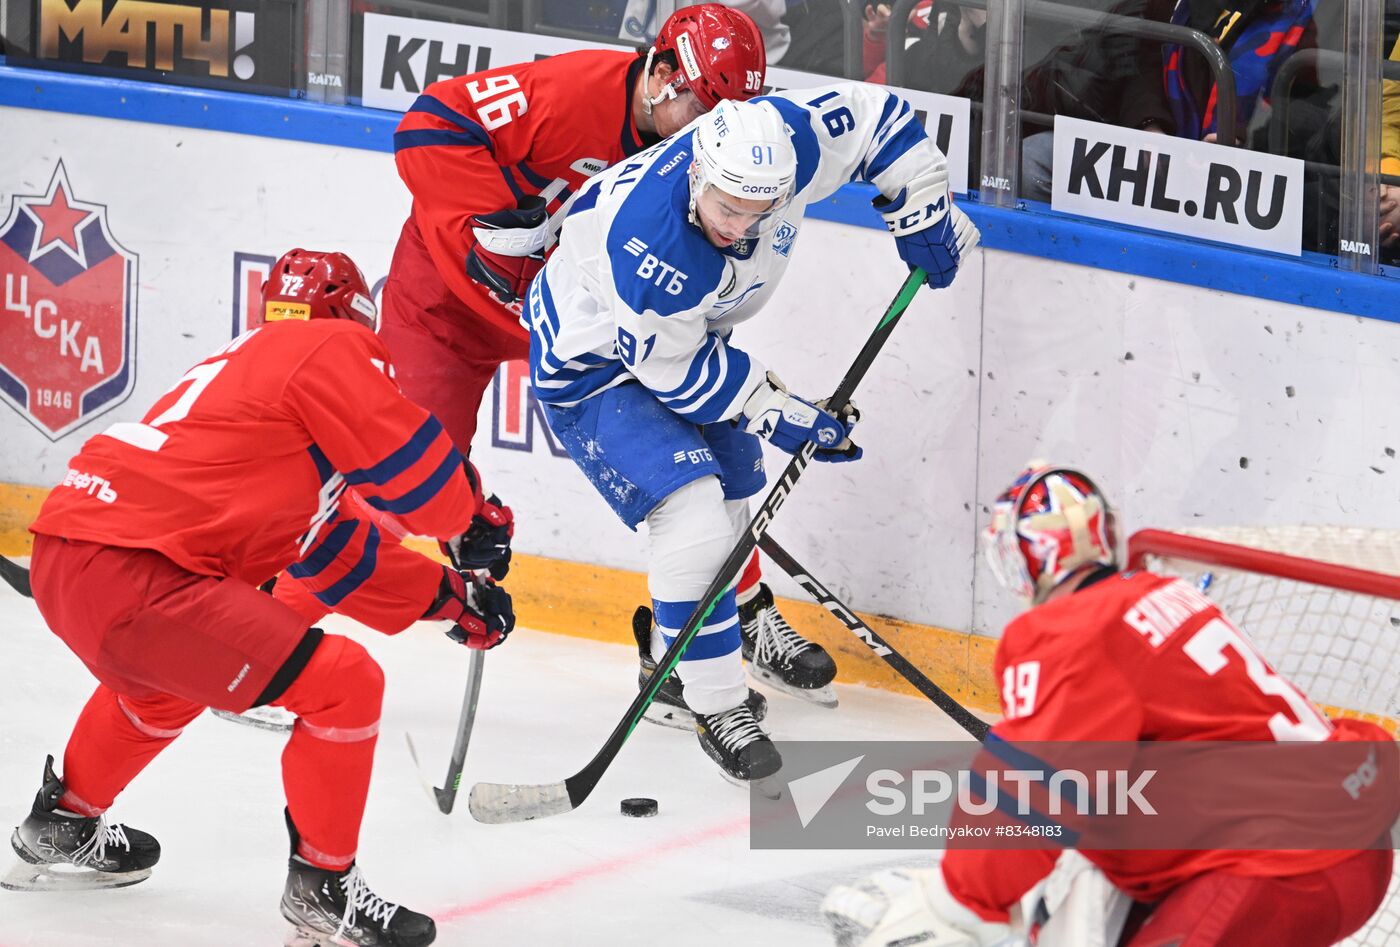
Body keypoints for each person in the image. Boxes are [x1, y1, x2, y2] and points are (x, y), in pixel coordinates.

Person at [5, 250, 517, 947]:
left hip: (72, 550)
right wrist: (472, 511)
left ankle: (63, 821)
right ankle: (322, 889)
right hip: (139, 572)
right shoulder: (328, 347)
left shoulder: (250, 382)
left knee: (164, 689)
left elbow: (333, 547)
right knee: (344, 684)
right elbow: (419, 482)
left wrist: (451, 600)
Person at [379, 2, 840, 715]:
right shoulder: (570, 95)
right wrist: (489, 222)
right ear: (659, 75)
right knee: (400, 476)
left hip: (591, 334)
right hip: (451, 309)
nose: (715, 139)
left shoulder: (712, 157)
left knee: (695, 472)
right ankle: (273, 643)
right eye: (704, 108)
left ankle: (706, 637)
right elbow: (430, 124)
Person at [526, 87, 980, 782]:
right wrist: (784, 411)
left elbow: (880, 121)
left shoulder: (787, 140)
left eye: (759, 211)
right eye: (728, 208)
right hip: (594, 371)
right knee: (695, 514)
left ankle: (717, 629)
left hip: (685, 340)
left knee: (740, 492)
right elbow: (677, 377)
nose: (741, 228)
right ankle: (712, 701)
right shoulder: (653, 241)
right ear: (698, 175)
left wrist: (920, 208)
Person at [822, 462, 1395, 946]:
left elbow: (1037, 783)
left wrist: (957, 902)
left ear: (1023, 558)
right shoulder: (1161, 592)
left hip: (1281, 867)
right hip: (1345, 842)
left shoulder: (1068, 631)